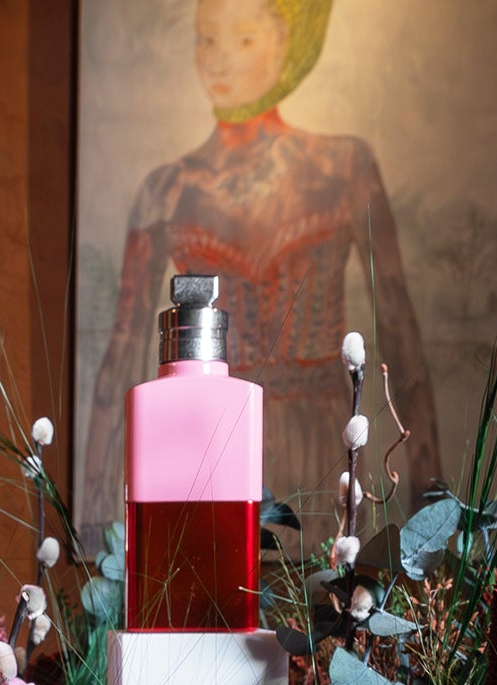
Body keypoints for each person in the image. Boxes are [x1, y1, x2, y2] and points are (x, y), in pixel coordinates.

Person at [82, 0, 441, 541]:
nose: (218, 61)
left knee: (324, 605)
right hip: (211, 440)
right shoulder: (167, 189)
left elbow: (400, 332)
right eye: (207, 40)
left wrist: (433, 515)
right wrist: (92, 532)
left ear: (288, 44)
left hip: (321, 444)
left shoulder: (345, 168)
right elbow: (119, 362)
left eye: (244, 40)